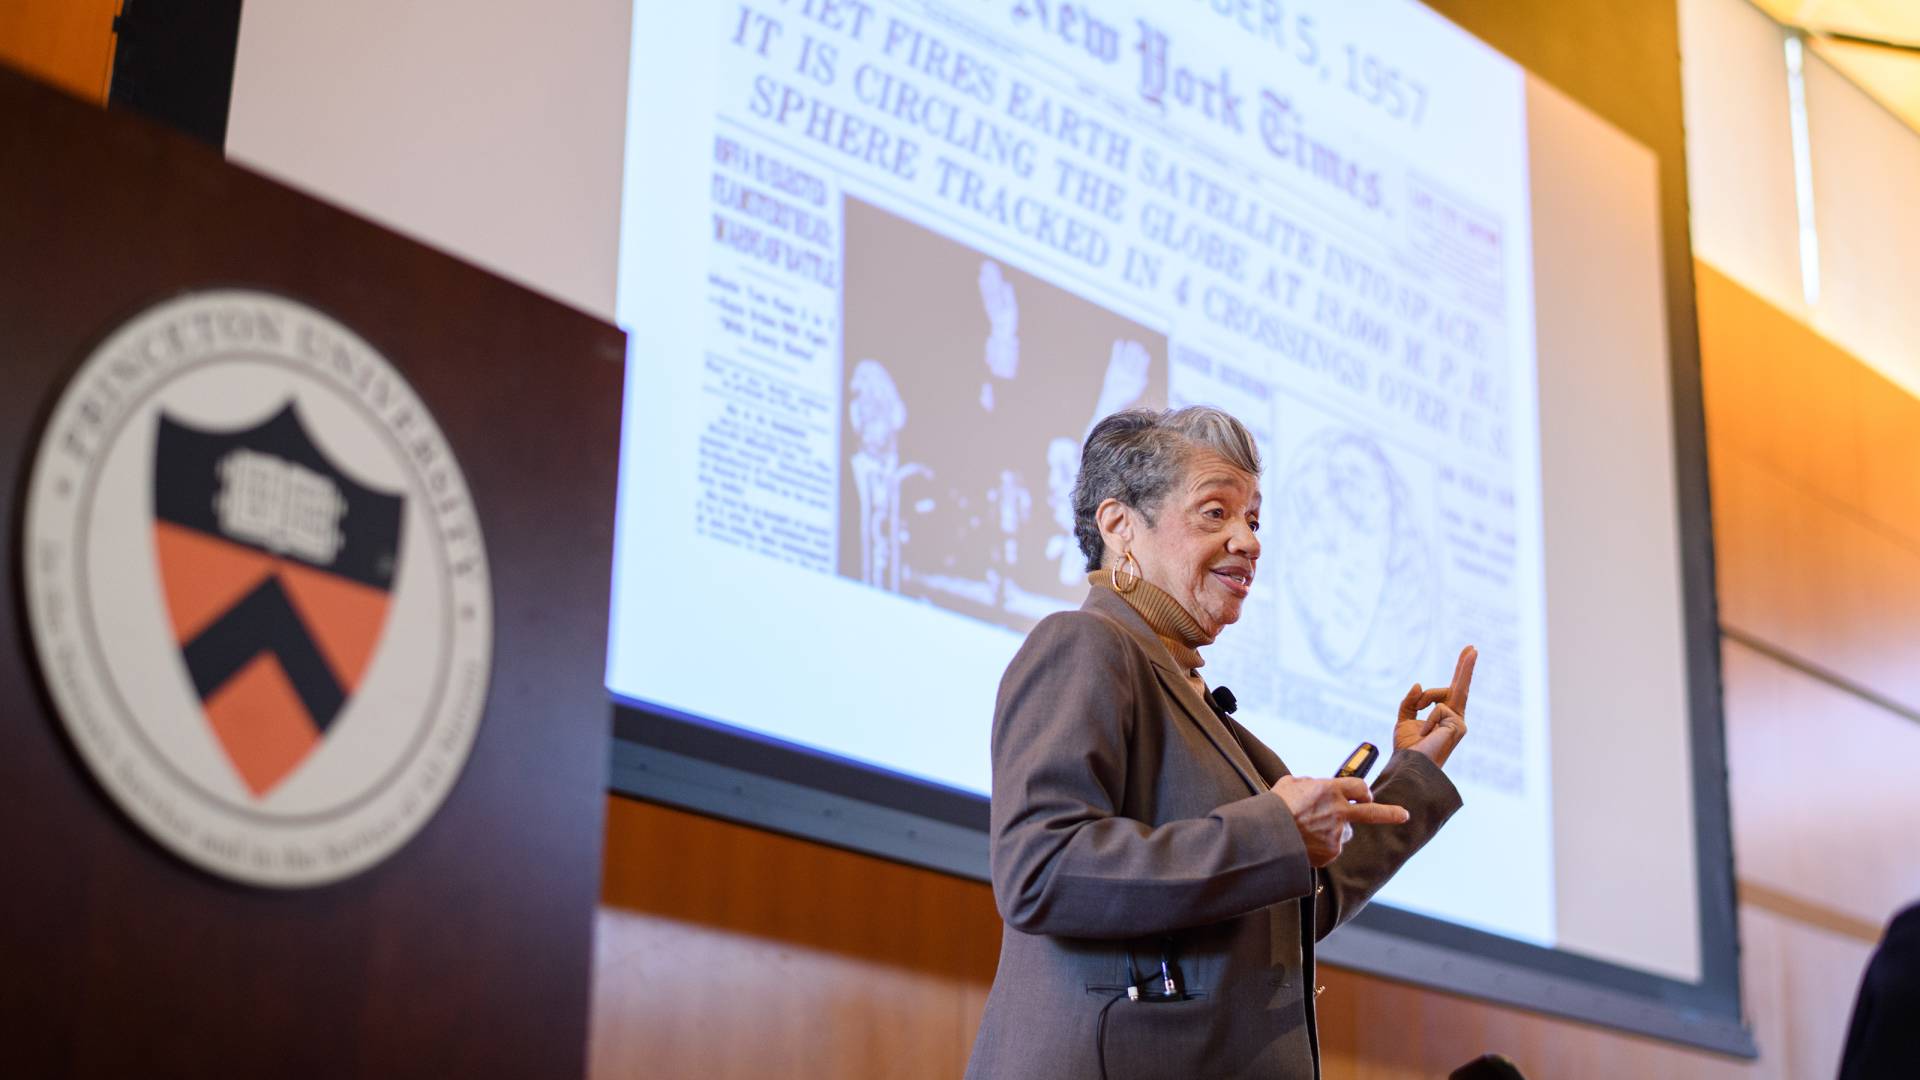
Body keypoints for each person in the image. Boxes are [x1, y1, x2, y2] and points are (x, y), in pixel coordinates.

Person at [964, 407, 1469, 1080]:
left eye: (1254, 520)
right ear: (1120, 527)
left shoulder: (1223, 728)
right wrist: (1275, 831)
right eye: (1215, 513)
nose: (1249, 541)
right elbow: (1041, 868)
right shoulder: (1084, 645)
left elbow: (1294, 903)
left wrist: (1412, 774)